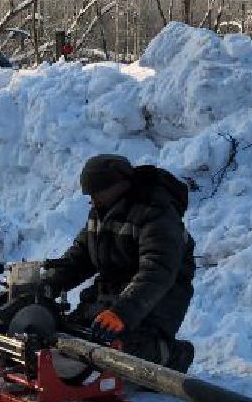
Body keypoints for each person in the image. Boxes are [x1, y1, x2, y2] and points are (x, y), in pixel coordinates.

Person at [44, 154, 196, 372]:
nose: (93, 199)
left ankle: (172, 355)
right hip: (110, 297)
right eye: (90, 195)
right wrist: (47, 286)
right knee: (67, 335)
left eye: (98, 193)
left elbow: (156, 272)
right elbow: (78, 259)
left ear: (120, 185)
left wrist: (122, 313)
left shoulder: (158, 215)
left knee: (117, 354)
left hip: (154, 302)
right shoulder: (101, 212)